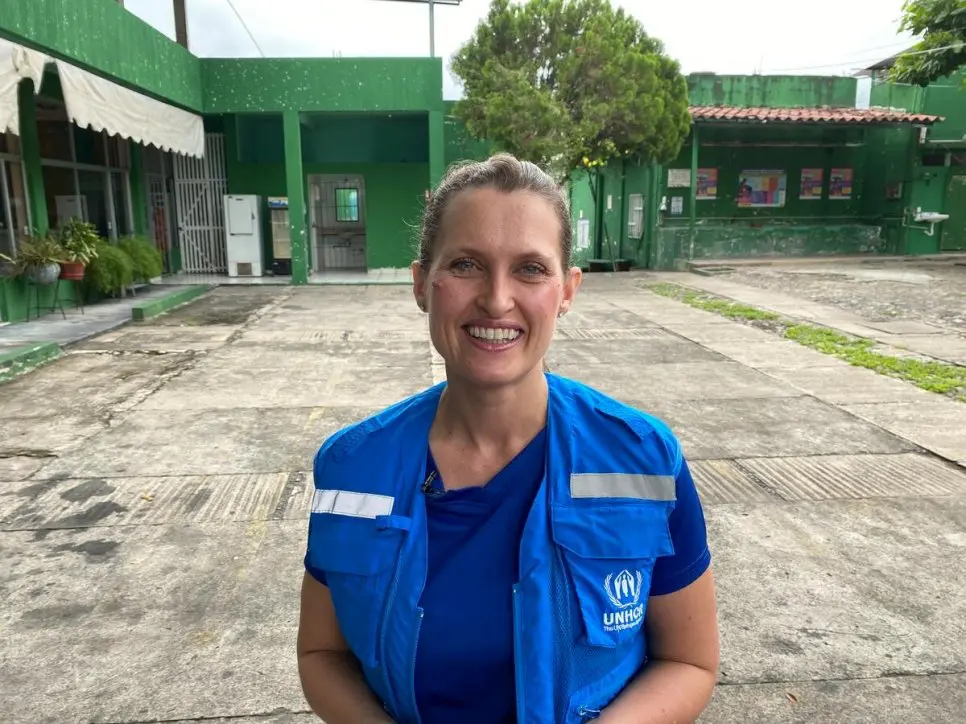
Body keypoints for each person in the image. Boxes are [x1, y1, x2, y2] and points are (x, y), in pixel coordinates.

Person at [297, 153, 720, 724]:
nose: (497, 300)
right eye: (466, 264)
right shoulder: (352, 468)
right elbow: (322, 653)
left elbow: (689, 662)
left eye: (530, 269)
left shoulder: (643, 459)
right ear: (422, 283)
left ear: (567, 290)